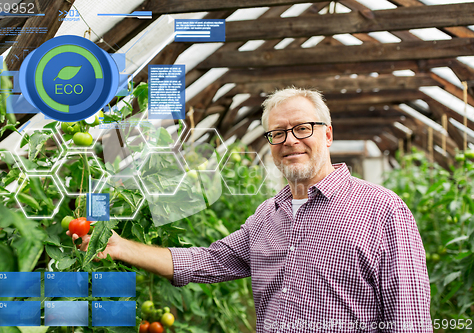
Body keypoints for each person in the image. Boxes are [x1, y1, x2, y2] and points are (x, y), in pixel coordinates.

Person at [69, 87, 432, 332]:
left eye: (302, 128)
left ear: (328, 135)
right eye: (278, 133)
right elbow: (206, 262)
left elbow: (410, 319)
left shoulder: (381, 210)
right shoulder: (267, 216)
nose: (290, 141)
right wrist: (118, 247)